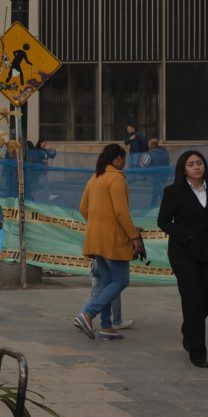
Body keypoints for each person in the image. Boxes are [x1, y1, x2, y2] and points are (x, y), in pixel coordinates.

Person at [75, 144, 145, 342]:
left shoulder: (95, 178)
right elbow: (121, 213)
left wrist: (99, 224)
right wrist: (134, 236)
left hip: (96, 238)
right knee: (121, 280)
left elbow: (83, 208)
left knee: (106, 282)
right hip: (113, 240)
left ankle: (107, 327)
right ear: (117, 159)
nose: (125, 162)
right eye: (124, 158)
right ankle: (88, 314)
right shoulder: (117, 179)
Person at [160, 151, 208, 368]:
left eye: (199, 163)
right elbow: (164, 221)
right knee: (193, 299)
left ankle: (189, 329)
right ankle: (197, 352)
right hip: (183, 251)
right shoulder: (173, 192)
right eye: (191, 164)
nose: (196, 167)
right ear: (183, 169)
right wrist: (185, 236)